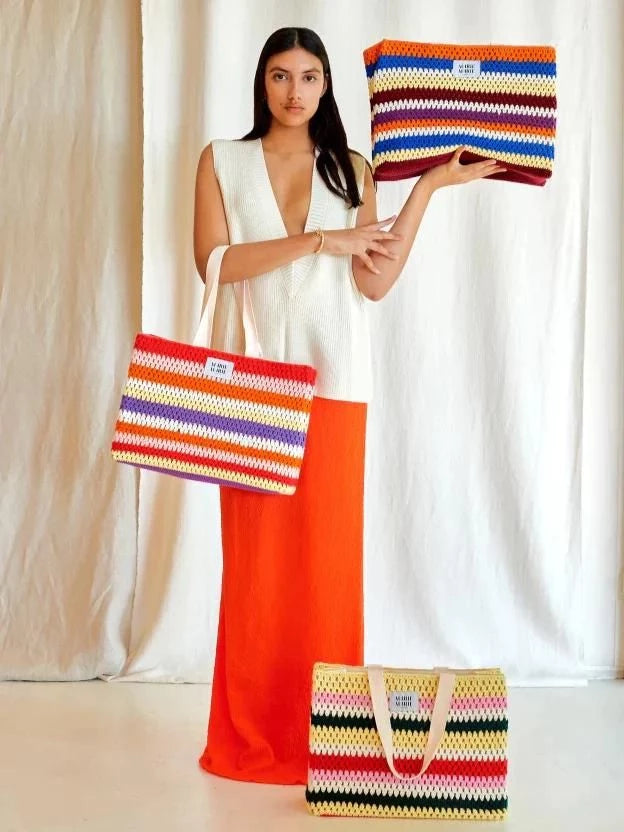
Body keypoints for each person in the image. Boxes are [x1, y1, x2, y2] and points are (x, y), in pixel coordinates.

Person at [193, 26, 506, 786]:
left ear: (327, 85)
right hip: (254, 391)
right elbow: (215, 263)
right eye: (278, 76)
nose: (294, 92)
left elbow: (372, 283)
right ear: (260, 83)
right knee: (256, 574)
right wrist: (318, 243)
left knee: (326, 572)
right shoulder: (222, 161)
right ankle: (249, 737)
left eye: (308, 76)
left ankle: (324, 739)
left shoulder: (353, 168)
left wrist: (426, 188)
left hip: (337, 392)